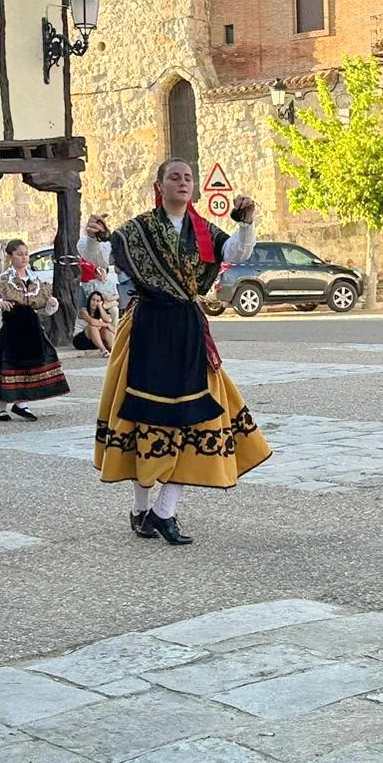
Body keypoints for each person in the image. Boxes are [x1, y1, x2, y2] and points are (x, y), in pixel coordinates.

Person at [79, 157, 270, 545]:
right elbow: (100, 257)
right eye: (174, 177)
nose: (183, 183)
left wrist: (246, 221)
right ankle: (140, 509)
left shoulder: (203, 231)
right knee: (142, 416)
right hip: (147, 328)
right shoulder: (139, 229)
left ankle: (165, 512)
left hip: (186, 327)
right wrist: (92, 236)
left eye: (187, 178)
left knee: (195, 416)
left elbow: (236, 251)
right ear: (160, 185)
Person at [0, 239, 69, 421]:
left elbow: (42, 305)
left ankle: (21, 404)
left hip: (30, 328)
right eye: (20, 254)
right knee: (8, 368)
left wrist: (51, 304)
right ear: (10, 257)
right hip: (9, 327)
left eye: (26, 254)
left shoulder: (35, 279)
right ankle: (2, 408)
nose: (24, 257)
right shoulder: (5, 279)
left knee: (28, 366)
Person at [74, 290, 116, 355]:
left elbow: (107, 320)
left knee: (106, 331)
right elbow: (91, 321)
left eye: (97, 301)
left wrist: (100, 307)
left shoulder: (100, 311)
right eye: (93, 300)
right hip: (80, 340)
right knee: (92, 326)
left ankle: (115, 352)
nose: (94, 302)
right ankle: (104, 351)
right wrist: (107, 325)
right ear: (89, 300)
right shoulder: (83, 310)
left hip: (95, 340)